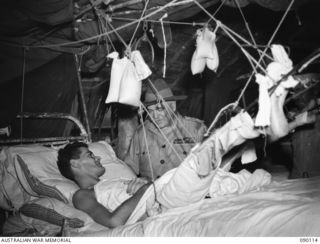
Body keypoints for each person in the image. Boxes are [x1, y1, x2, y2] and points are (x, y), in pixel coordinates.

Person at [57, 86, 315, 229]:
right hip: (160, 196)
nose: (99, 158)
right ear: (75, 164)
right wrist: (143, 188)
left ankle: (278, 124)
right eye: (91, 155)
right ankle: (258, 124)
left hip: (173, 188)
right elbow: (114, 221)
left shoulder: (191, 125)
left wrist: (139, 187)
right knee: (202, 160)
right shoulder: (83, 195)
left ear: (173, 105)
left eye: (162, 106)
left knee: (252, 175)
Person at [124, 78, 207, 180]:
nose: (155, 116)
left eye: (160, 109)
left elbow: (210, 166)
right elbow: (129, 168)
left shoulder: (195, 129)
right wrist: (136, 181)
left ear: (172, 106)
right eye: (150, 111)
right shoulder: (141, 134)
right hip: (150, 191)